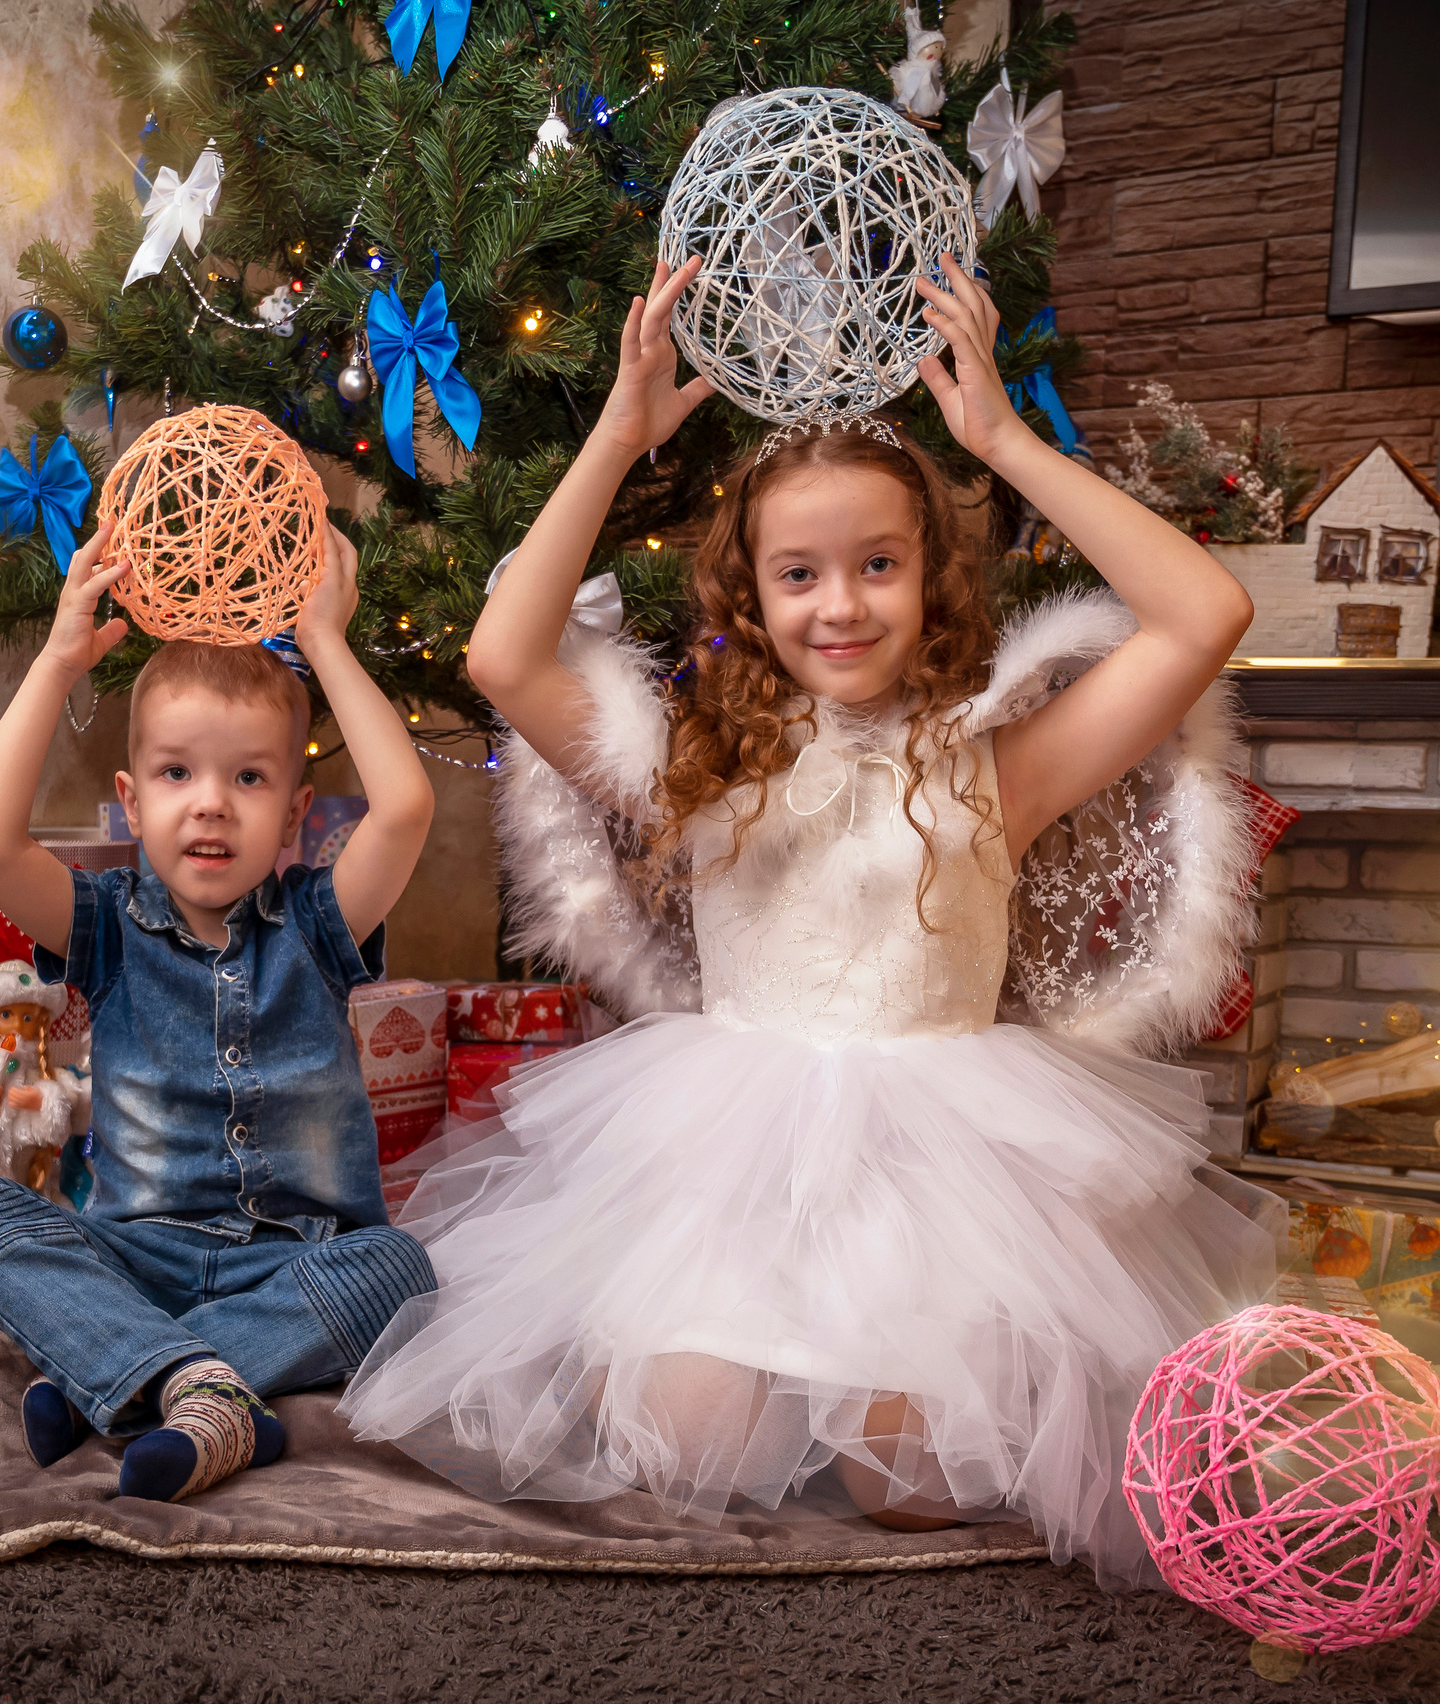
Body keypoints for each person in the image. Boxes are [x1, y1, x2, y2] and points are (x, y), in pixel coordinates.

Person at [337, 254, 1281, 1583]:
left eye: (878, 564)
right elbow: (503, 657)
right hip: (732, 1160)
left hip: (948, 1173)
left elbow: (1206, 614)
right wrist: (615, 435)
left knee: (921, 1481)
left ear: (930, 575)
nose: (840, 605)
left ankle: (870, 1383)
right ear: (753, 596)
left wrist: (1004, 442)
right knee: (685, 1444)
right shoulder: (697, 772)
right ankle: (729, 1359)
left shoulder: (1000, 768)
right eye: (799, 574)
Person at [0, 521, 438, 1504]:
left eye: (249, 778)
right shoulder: (106, 926)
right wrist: (58, 660)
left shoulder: (319, 923)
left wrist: (325, 642)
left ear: (294, 813)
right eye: (176, 774)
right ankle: (198, 1387)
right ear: (131, 800)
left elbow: (405, 808)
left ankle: (117, 1376)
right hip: (132, 1259)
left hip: (301, 1263)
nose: (210, 804)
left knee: (401, 1270)